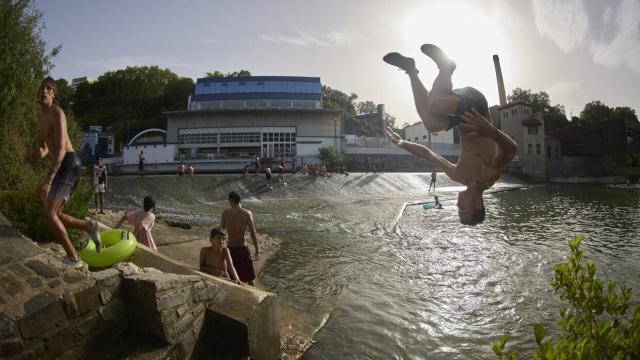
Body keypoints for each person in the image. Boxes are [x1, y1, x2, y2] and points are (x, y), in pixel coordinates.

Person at [383, 44, 517, 225]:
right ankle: (447, 67)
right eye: (463, 208)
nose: (457, 204)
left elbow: (428, 154)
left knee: (431, 124)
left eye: (458, 209)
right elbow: (511, 150)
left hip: (461, 117)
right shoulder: (488, 175)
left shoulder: (458, 175)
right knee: (436, 103)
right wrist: (490, 131)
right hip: (477, 106)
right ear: (478, 204)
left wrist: (402, 143)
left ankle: (410, 69)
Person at [24, 77, 101, 265]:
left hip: (69, 162)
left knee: (49, 214)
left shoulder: (57, 113)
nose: (44, 91)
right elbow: (45, 150)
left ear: (53, 94)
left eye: (49, 88)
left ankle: (73, 257)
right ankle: (89, 226)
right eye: (42, 88)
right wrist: (30, 156)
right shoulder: (41, 119)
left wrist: (48, 180)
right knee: (55, 214)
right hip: (64, 164)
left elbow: (59, 150)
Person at [220, 191, 260, 285]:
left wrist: (220, 248)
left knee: (232, 278)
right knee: (250, 278)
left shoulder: (225, 213)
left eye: (229, 200)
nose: (229, 202)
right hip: (242, 248)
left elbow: (221, 232)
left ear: (232, 200)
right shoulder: (247, 213)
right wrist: (257, 250)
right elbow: (253, 233)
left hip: (230, 249)